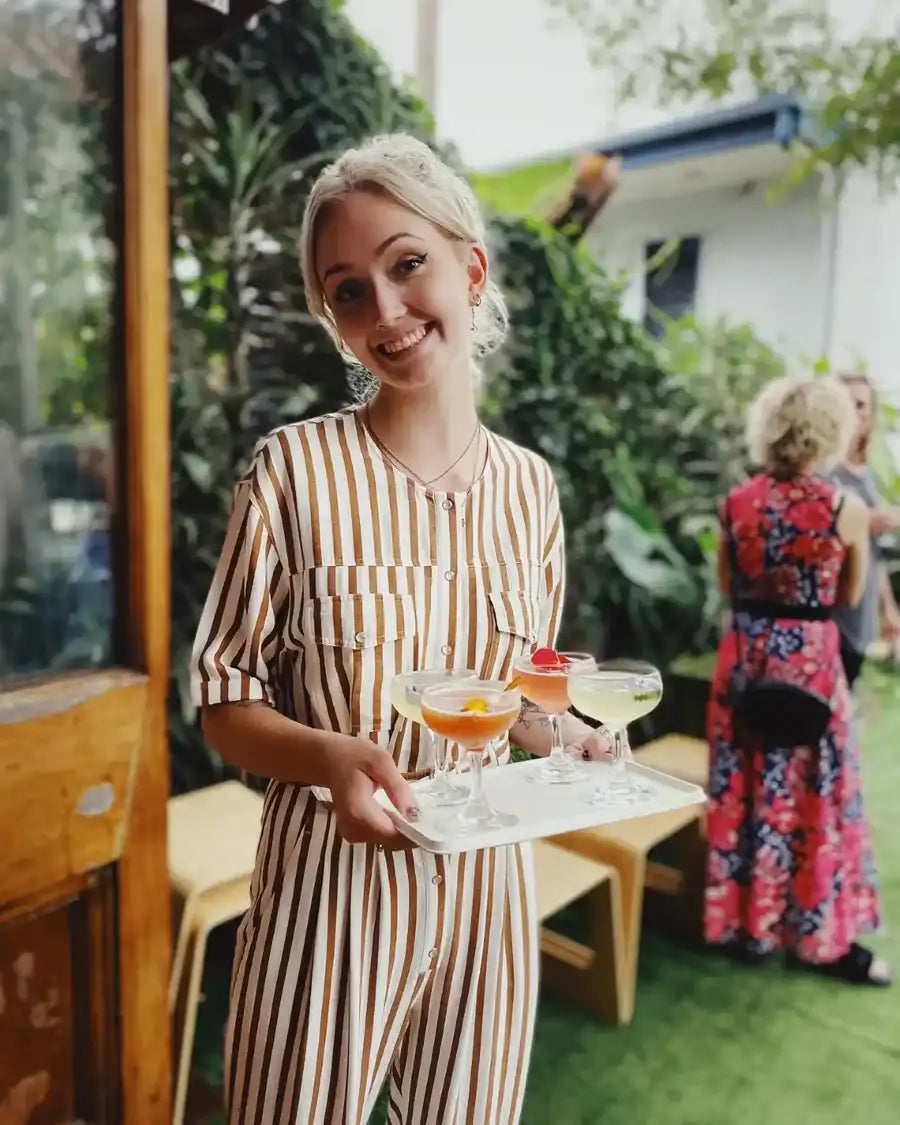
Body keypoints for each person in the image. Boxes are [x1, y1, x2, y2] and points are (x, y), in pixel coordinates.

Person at [191, 133, 610, 1125]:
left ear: (469, 268)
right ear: (334, 324)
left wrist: (576, 733)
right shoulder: (291, 475)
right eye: (347, 290)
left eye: (406, 263)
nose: (384, 308)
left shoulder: (530, 489)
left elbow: (527, 689)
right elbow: (223, 700)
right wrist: (333, 758)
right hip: (329, 896)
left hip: (489, 885)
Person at [704, 375, 890, 985]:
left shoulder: (737, 503)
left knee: (747, 790)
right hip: (811, 656)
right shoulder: (847, 510)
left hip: (748, 654)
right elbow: (850, 593)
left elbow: (730, 586)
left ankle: (748, 929)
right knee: (815, 796)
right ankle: (815, 935)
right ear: (831, 431)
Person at [831, 372, 900, 687]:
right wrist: (875, 518)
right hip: (832, 611)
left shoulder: (866, 473)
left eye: (861, 405)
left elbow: (875, 551)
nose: (855, 411)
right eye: (847, 402)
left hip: (863, 608)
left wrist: (888, 609)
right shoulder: (823, 468)